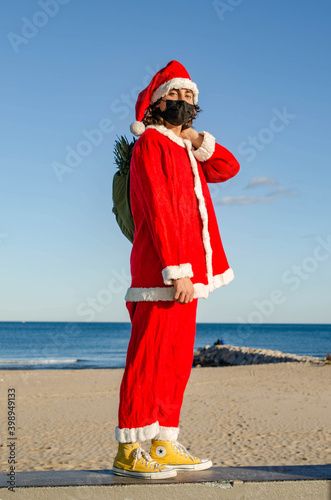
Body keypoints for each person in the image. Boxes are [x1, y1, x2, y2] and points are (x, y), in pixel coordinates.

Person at [112, 60, 240, 479]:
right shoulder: (150, 144)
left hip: (187, 277)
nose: (183, 102)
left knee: (176, 362)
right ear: (155, 102)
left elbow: (227, 167)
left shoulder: (185, 148)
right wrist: (177, 270)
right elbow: (161, 210)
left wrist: (196, 137)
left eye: (189, 96)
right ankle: (129, 450)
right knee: (147, 361)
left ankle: (163, 443)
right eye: (175, 95)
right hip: (162, 274)